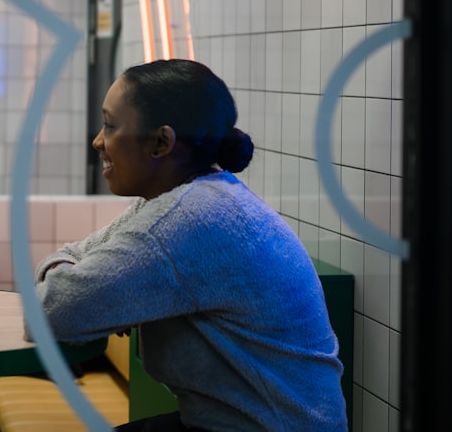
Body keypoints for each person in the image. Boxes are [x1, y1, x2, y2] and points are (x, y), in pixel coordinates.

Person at [34, 59, 348, 431]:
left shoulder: (191, 218)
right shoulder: (188, 197)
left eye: (110, 125)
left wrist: (86, 288)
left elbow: (54, 310)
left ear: (161, 142)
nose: (98, 141)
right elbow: (72, 261)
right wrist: (87, 284)